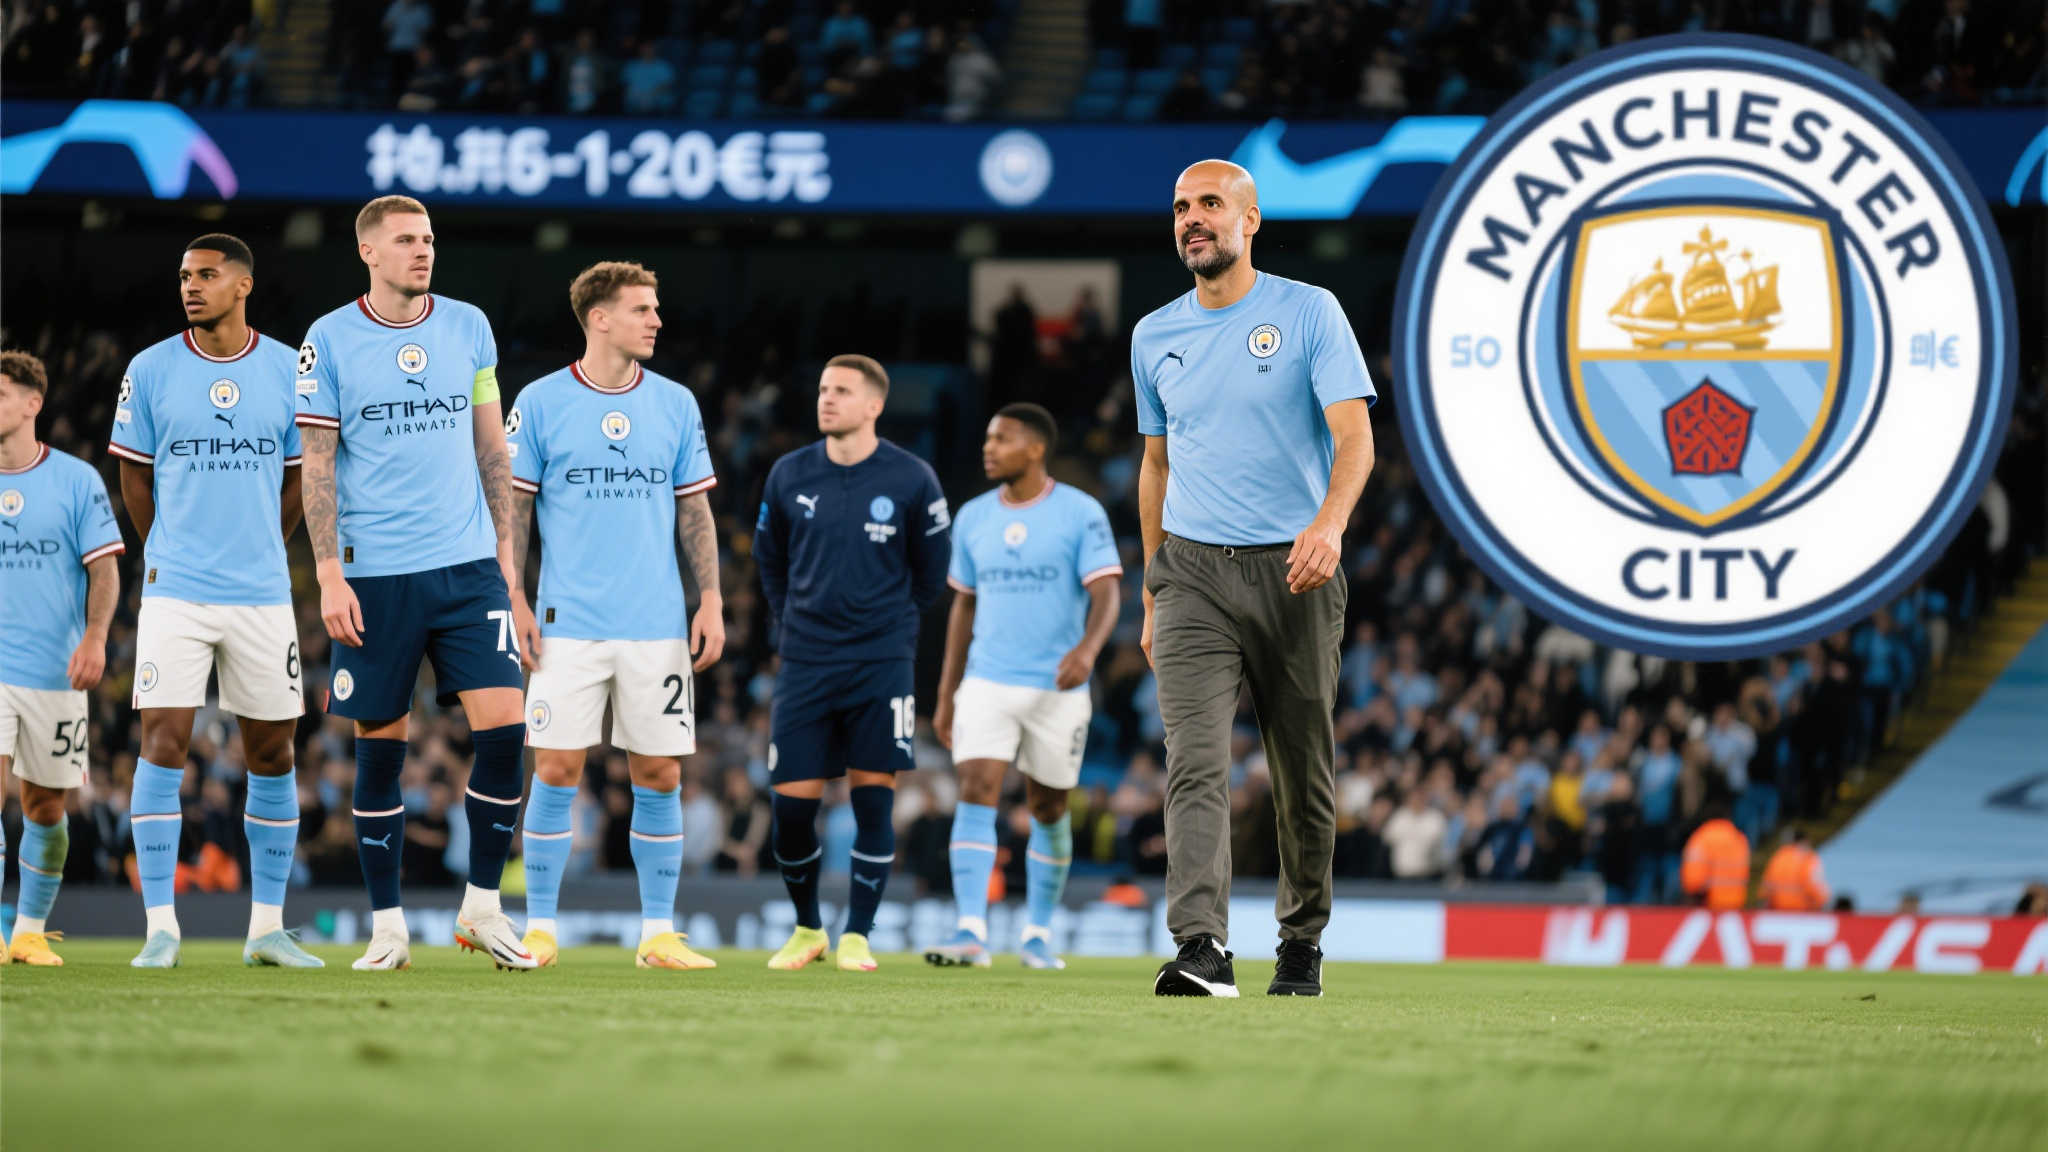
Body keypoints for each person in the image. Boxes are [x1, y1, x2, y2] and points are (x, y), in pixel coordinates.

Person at [1132, 160, 1375, 997]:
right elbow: (1156, 464)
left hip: (1296, 571)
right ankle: (1201, 946)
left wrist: (1329, 525)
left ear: (1251, 220)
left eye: (1209, 204)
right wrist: (1152, 587)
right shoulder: (1153, 334)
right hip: (1191, 573)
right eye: (1180, 207)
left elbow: (1355, 438)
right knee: (1194, 761)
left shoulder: (1309, 311)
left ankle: (1301, 940)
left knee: (1302, 770)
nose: (1191, 219)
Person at [294, 195, 538, 972]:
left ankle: (483, 908)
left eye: (428, 238)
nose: (423, 250)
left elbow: (492, 447)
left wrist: (506, 552)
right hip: (375, 574)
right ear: (368, 251)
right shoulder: (329, 339)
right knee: (380, 750)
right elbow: (317, 464)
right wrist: (328, 573)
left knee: (506, 731)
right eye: (405, 239)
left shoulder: (468, 326)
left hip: (467, 568)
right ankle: (388, 929)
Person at [106, 235, 321, 970]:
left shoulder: (288, 368)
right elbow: (134, 478)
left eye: (205, 275)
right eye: (183, 276)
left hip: (261, 593)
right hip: (177, 590)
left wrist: (262, 543)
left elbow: (298, 476)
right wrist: (168, 548)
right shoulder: (150, 369)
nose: (190, 287)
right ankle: (160, 927)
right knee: (163, 742)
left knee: (273, 751)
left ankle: (266, 929)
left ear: (243, 285)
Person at [506, 261, 723, 971]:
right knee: (556, 767)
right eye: (641, 309)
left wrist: (711, 598)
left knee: (659, 774)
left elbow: (694, 508)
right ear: (599, 318)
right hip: (566, 621)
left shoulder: (676, 403)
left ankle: (658, 933)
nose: (656, 320)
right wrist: (514, 596)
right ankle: (540, 930)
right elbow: (514, 510)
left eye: (655, 309)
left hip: (656, 623)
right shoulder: (540, 402)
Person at [752, 354, 950, 972]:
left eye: (841, 390)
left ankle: (858, 933)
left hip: (880, 661)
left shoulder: (912, 477)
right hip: (805, 660)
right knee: (790, 808)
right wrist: (793, 617)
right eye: (822, 388)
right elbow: (768, 559)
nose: (827, 399)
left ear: (873, 406)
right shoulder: (789, 473)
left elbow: (932, 575)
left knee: (873, 801)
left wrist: (885, 623)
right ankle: (808, 926)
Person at [924, 404, 1121, 970]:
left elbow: (1107, 591)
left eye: (1002, 439)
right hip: (987, 678)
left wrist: (1087, 651)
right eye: (987, 438)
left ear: (1035, 448)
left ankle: (1036, 933)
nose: (988, 448)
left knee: (1048, 805)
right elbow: (964, 605)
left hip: (1056, 686)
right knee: (976, 786)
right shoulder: (973, 516)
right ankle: (970, 931)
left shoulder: (1080, 513)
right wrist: (947, 692)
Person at [0, 349, 123, 965]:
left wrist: (95, 638)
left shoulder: (77, 481)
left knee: (45, 808)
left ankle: (28, 932)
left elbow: (104, 571)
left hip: (54, 672)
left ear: (33, 404)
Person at [1680, 801, 1750, 911]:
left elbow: (1694, 879)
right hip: (1735, 906)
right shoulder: (1739, 838)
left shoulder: (1701, 837)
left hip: (1708, 906)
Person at [1758, 825, 1830, 911]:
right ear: (1805, 841)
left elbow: (1768, 883)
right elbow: (1813, 883)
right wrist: (1822, 902)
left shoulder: (1779, 856)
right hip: (1801, 908)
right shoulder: (1808, 857)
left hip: (1778, 908)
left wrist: (1764, 900)